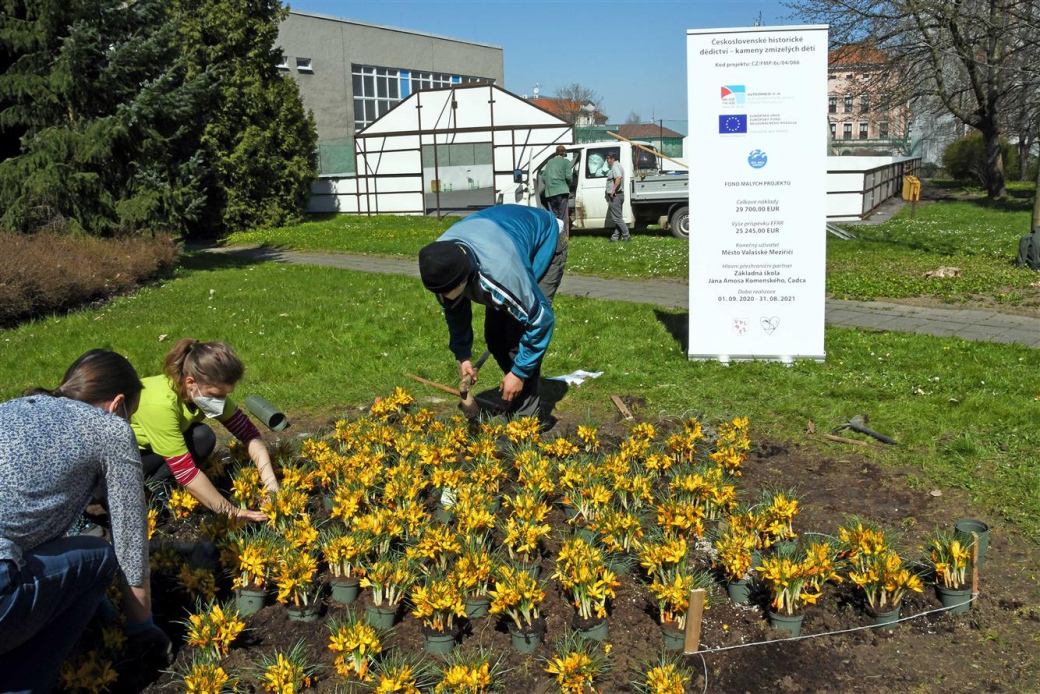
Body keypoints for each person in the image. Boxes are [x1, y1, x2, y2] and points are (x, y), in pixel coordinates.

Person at [0, 350, 170, 692]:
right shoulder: (108, 429)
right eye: (130, 416)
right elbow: (130, 543)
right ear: (118, 403)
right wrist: (141, 627)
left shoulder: (12, 408)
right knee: (100, 555)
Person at [418, 205, 566, 420]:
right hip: (500, 237)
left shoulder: (501, 275)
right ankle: (517, 390)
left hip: (545, 241)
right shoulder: (441, 263)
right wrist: (464, 357)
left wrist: (519, 372)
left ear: (465, 279)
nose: (443, 298)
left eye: (448, 292)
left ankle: (525, 420)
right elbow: (455, 311)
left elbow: (540, 320)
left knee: (518, 336)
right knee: (496, 338)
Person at [131, 339, 277, 520]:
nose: (221, 400)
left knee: (203, 436)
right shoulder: (161, 406)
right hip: (118, 456)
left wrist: (271, 484)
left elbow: (249, 434)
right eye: (216, 395)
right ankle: (142, 484)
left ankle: (157, 480)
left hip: (152, 446)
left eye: (225, 394)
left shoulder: (200, 390)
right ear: (191, 382)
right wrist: (232, 512)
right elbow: (186, 472)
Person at [541, 144, 572, 233]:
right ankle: (562, 233)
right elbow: (568, 177)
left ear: (556, 152)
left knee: (553, 214)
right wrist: (568, 185)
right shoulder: (566, 162)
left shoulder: (550, 162)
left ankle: (554, 232)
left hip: (550, 192)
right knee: (562, 214)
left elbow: (543, 176)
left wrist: (549, 184)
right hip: (562, 191)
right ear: (564, 153)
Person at [605, 151, 631, 242]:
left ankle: (627, 236)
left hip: (615, 195)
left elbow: (618, 178)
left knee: (617, 218)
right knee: (618, 218)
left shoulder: (615, 167)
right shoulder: (618, 166)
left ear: (613, 159)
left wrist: (613, 190)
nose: (607, 160)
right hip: (619, 195)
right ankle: (615, 237)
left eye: (608, 158)